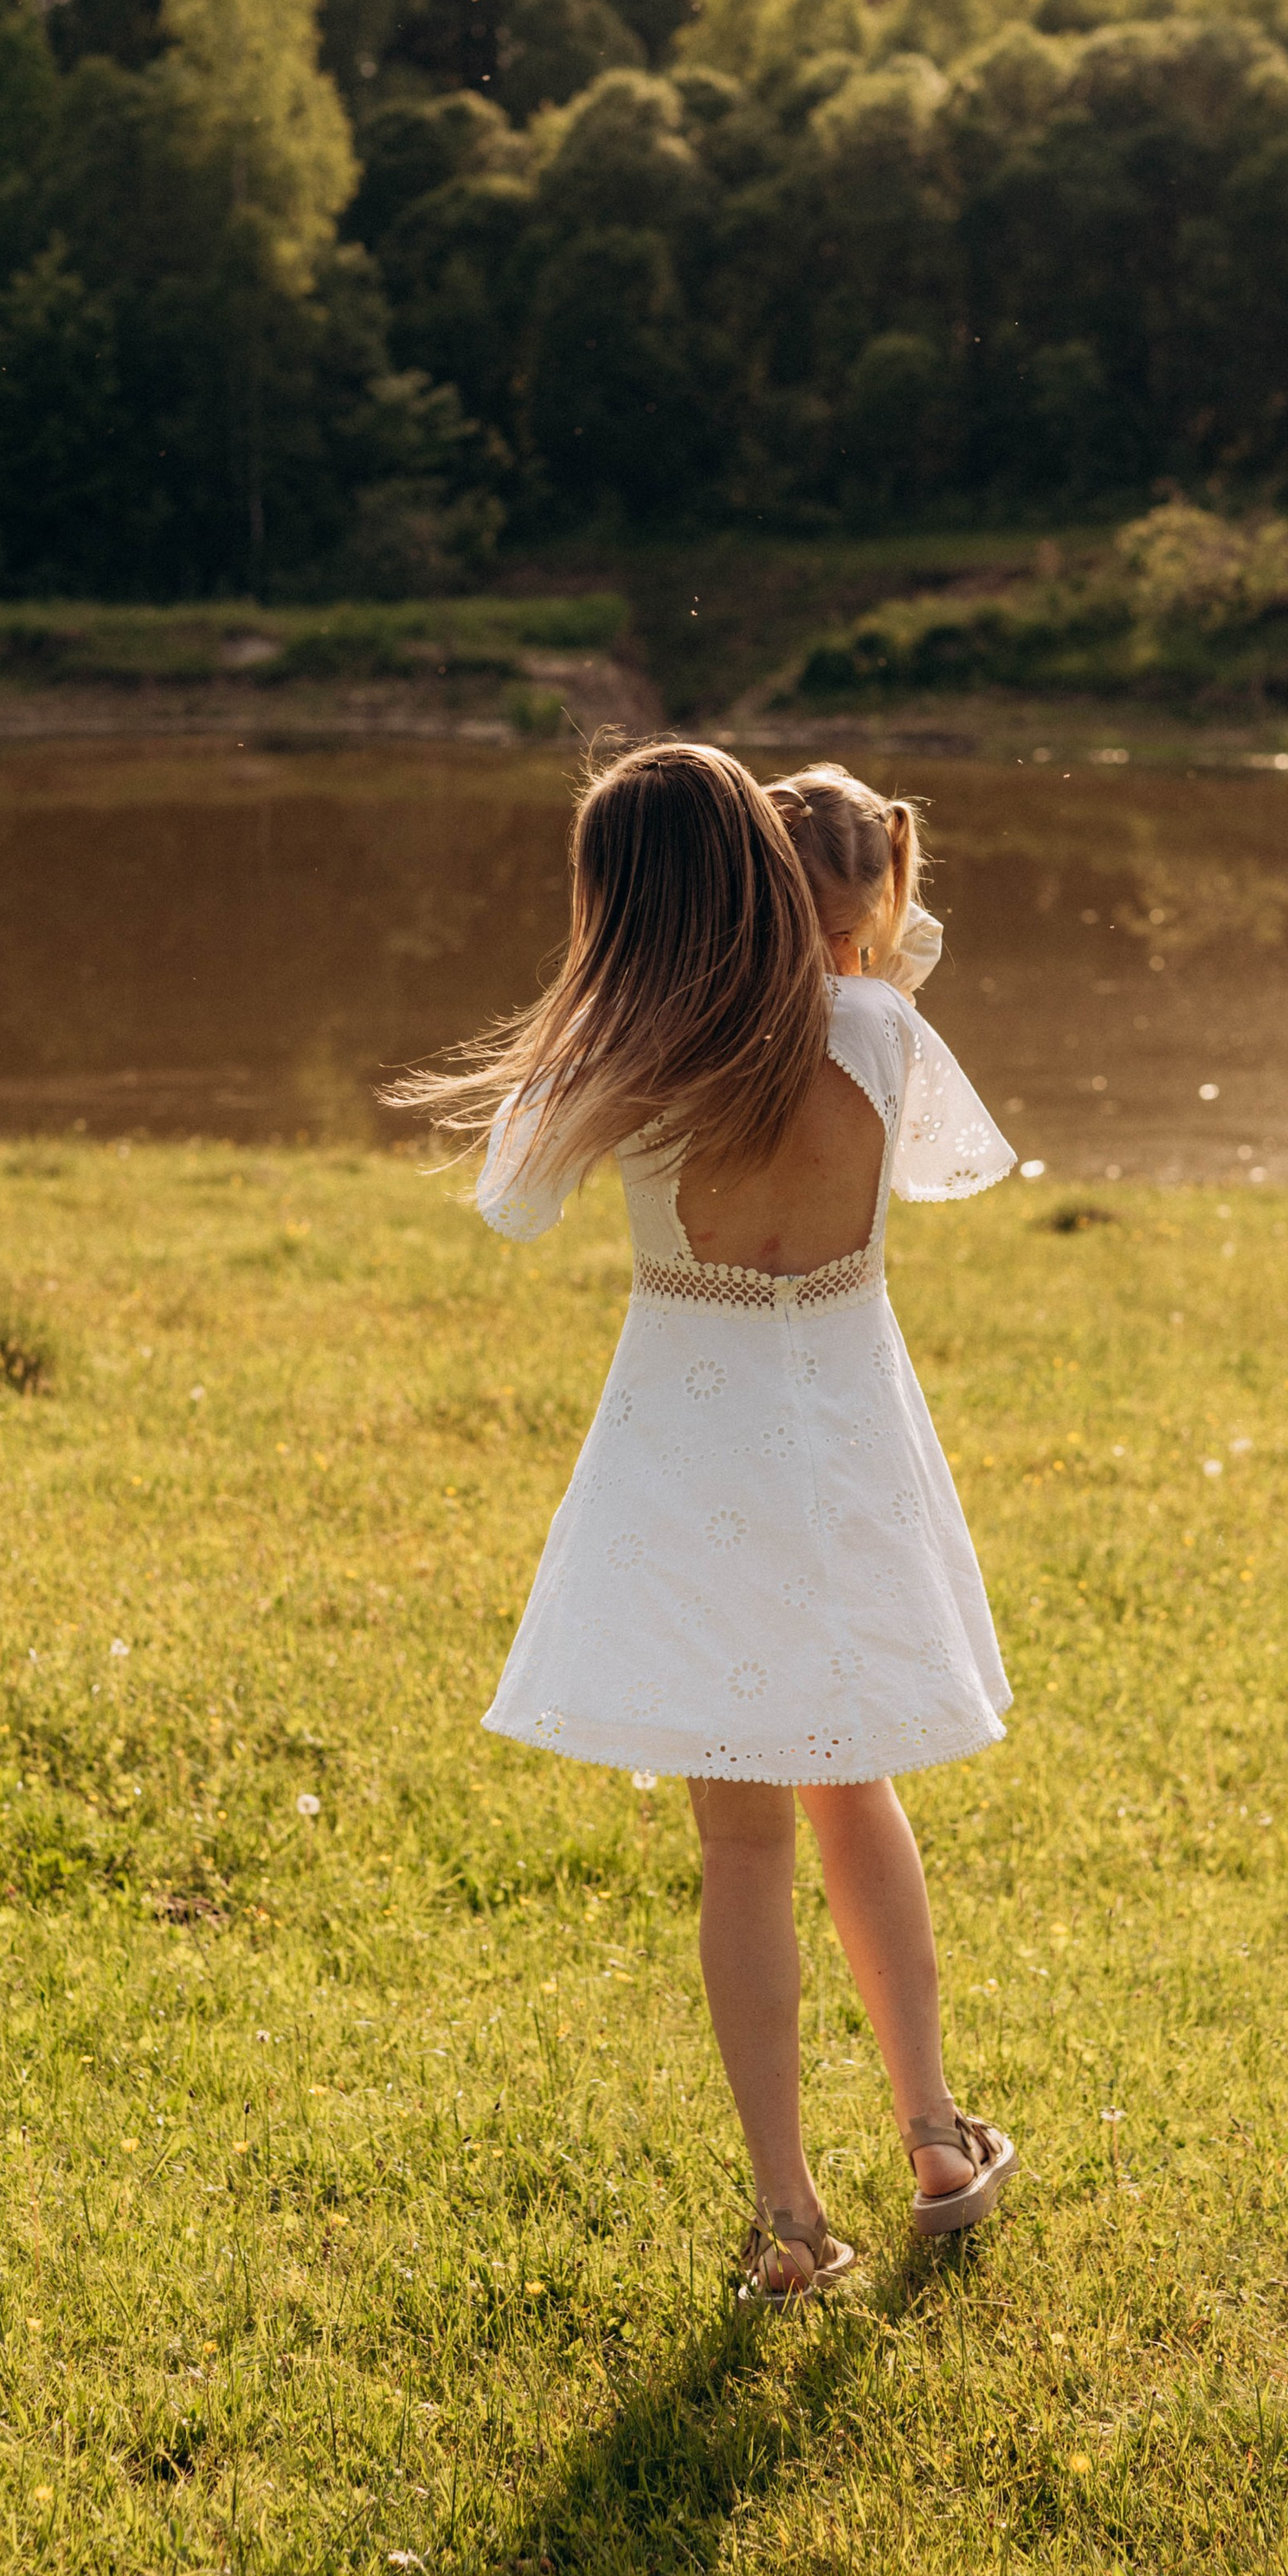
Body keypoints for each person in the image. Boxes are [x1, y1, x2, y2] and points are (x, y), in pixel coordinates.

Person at [388, 742, 1018, 2302]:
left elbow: (512, 1196)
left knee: (739, 1841)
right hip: (848, 1434)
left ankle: (794, 2219)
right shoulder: (877, 1029)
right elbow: (933, 1120)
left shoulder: (629, 1062)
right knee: (855, 1784)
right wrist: (858, 952)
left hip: (693, 1451)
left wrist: (613, 1014)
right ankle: (935, 2132)